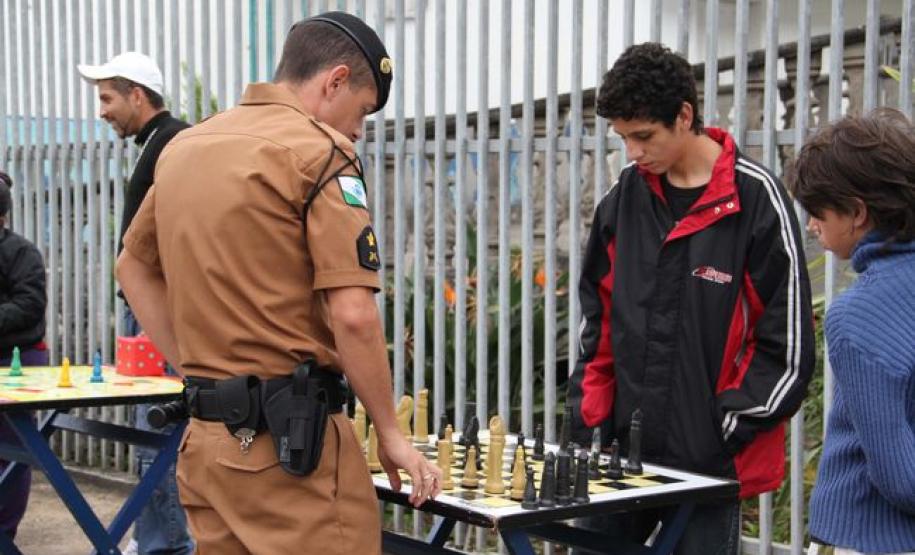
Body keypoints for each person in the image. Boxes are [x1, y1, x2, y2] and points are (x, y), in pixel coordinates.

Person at [115, 12, 442, 554]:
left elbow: (132, 266)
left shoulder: (185, 148)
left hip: (206, 445)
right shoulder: (321, 155)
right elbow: (354, 314)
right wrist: (390, 433)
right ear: (334, 80)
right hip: (294, 457)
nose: (359, 130)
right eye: (361, 111)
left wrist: (196, 368)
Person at [566, 43, 815, 554]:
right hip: (620, 462)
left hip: (708, 469)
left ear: (685, 115)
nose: (633, 152)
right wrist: (592, 419)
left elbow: (787, 346)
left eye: (643, 136)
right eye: (623, 138)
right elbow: (600, 326)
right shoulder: (622, 200)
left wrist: (724, 430)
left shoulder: (756, 201)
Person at [77, 52, 193, 555]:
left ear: (137, 95)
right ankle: (157, 537)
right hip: (149, 310)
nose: (101, 110)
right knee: (151, 429)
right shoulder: (159, 143)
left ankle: (166, 544)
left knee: (156, 430)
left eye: (107, 98)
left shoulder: (172, 142)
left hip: (159, 313)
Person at [788, 109, 915, 555]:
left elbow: (900, 478)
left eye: (817, 210)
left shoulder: (858, 315)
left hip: (875, 539)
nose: (811, 224)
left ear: (857, 212)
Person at [0, 171, 47, 540]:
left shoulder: (20, 252)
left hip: (17, 364)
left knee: (12, 454)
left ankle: (5, 536)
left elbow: (29, 306)